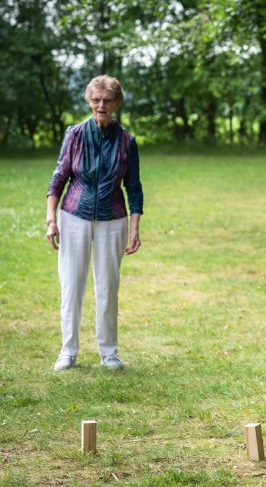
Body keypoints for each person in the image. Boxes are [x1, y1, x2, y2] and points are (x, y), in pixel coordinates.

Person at [46, 75, 143, 371]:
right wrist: (51, 219)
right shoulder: (74, 134)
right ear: (89, 101)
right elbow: (59, 178)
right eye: (96, 99)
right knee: (72, 285)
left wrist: (135, 227)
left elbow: (134, 187)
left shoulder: (127, 141)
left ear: (117, 104)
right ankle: (68, 351)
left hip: (113, 220)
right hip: (73, 216)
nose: (101, 105)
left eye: (108, 100)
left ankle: (109, 352)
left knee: (107, 288)